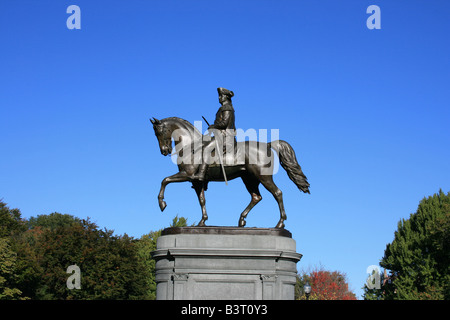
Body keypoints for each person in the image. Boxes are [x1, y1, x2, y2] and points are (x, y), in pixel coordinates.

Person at [191, 87, 237, 181]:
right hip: (221, 135)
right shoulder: (224, 108)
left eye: (221, 96)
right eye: (219, 96)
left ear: (226, 97)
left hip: (225, 137)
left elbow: (224, 123)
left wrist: (213, 126)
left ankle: (201, 174)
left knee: (207, 149)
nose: (219, 98)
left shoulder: (227, 108)